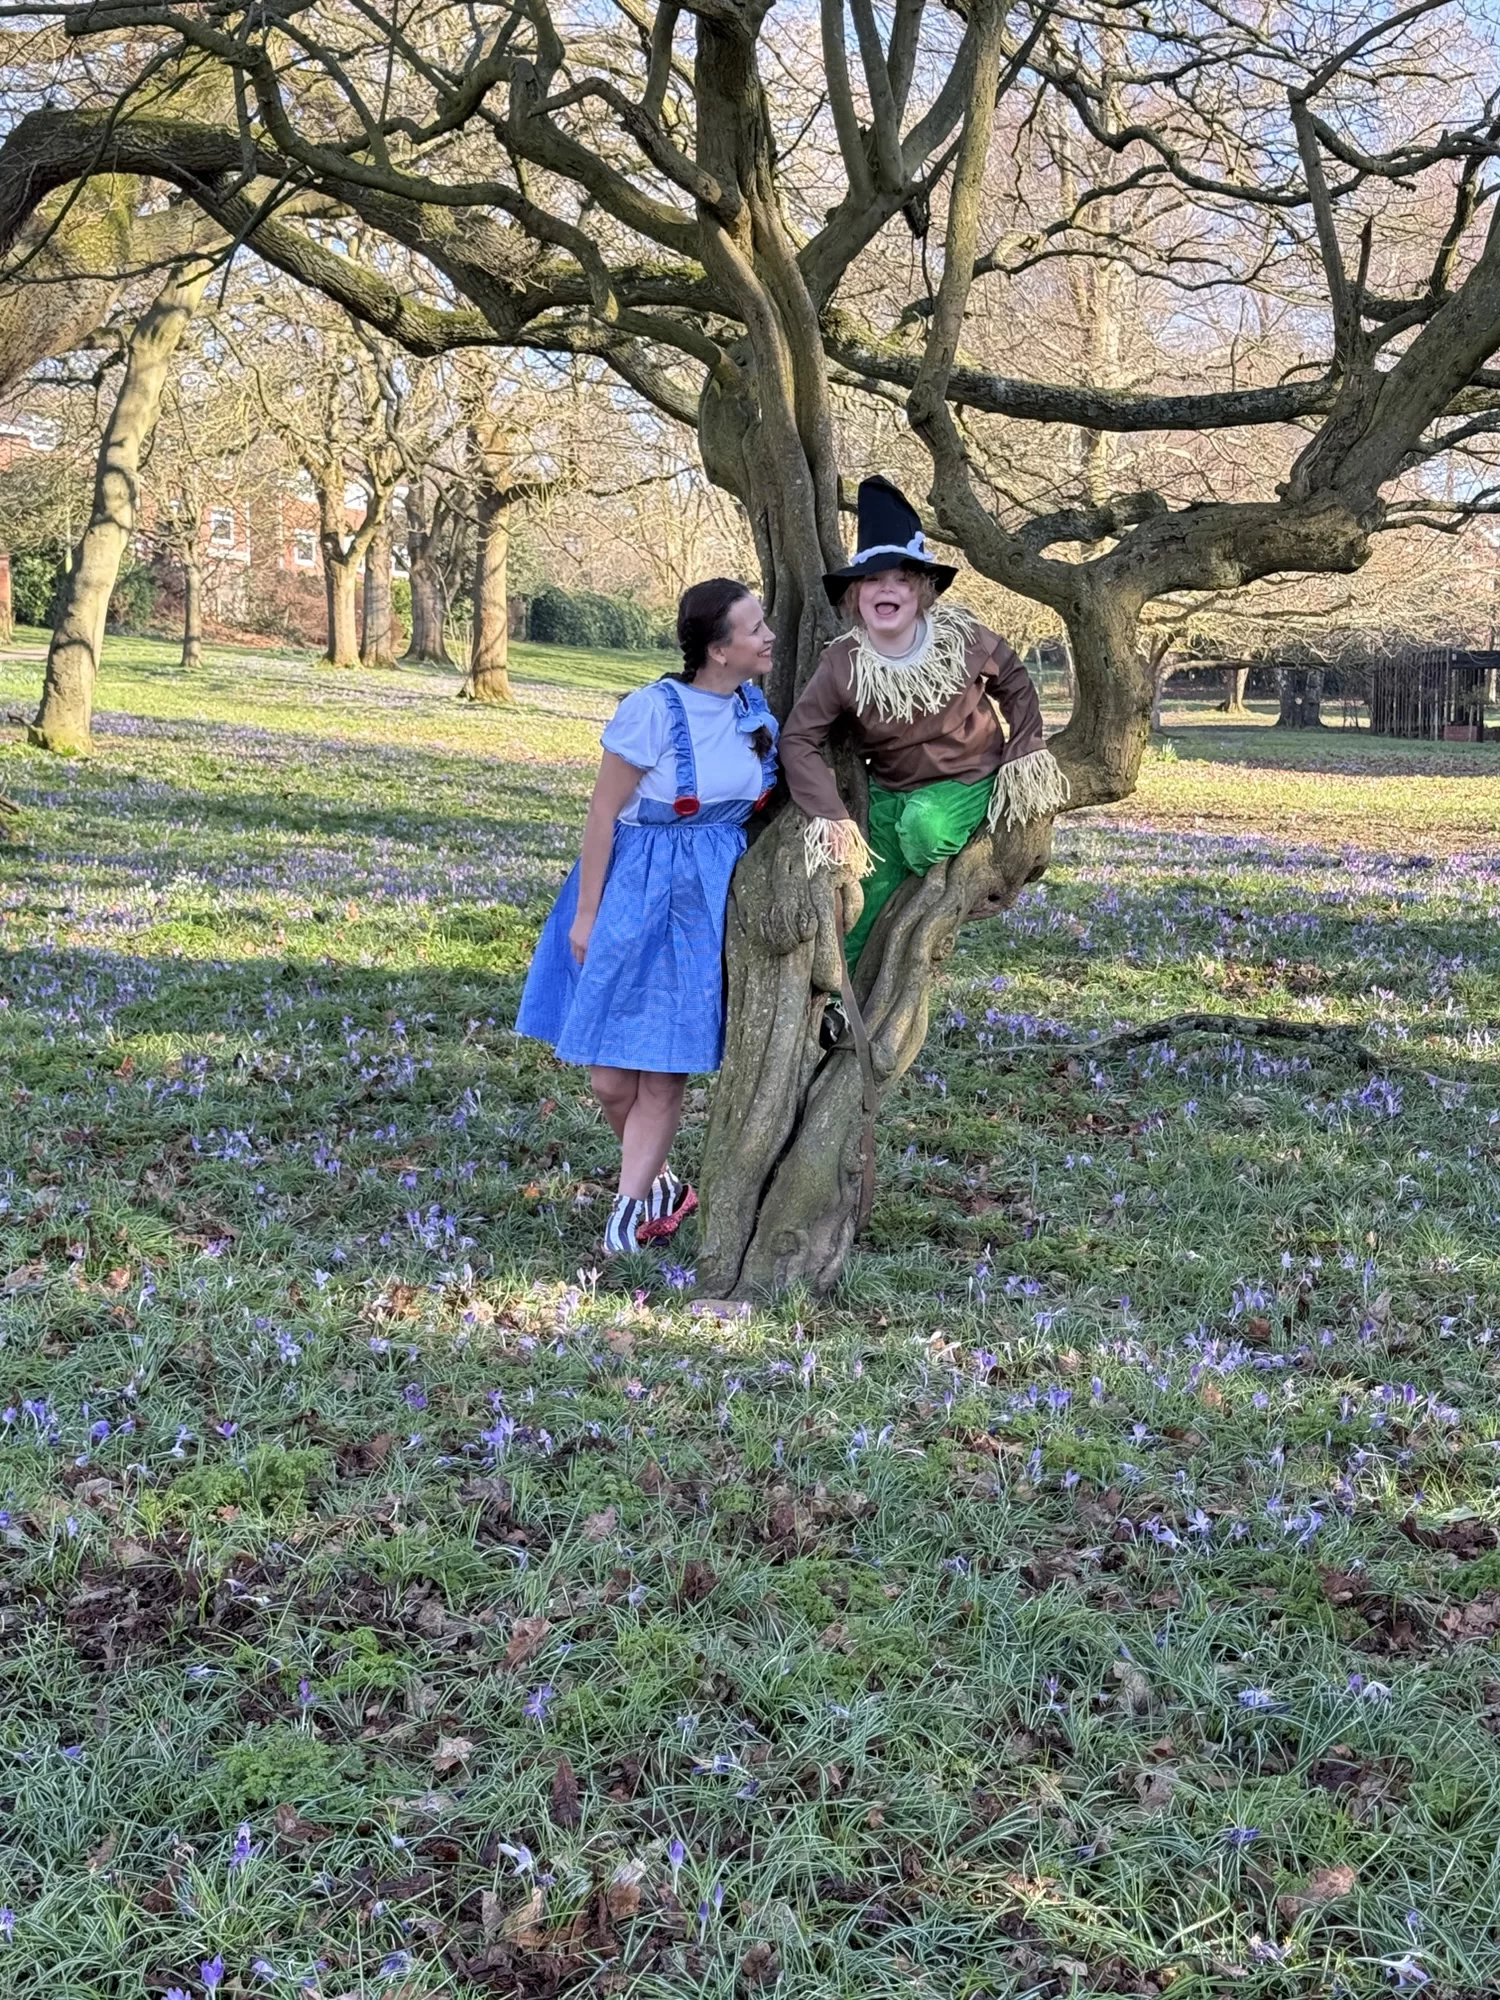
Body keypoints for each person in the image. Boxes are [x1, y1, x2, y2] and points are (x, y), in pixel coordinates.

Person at [516, 578, 778, 1255]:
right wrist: (586, 913)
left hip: (708, 900)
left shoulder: (755, 713)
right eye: (754, 628)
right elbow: (603, 812)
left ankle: (625, 1220)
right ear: (719, 650)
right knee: (609, 1079)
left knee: (663, 1073)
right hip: (633, 891)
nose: (769, 636)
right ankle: (662, 1183)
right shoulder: (652, 711)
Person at [780, 475, 1069, 969]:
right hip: (891, 789)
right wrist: (830, 811)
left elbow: (1015, 681)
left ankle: (926, 889)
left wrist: (1026, 751)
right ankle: (841, 1005)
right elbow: (799, 738)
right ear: (855, 595)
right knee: (857, 898)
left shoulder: (960, 637)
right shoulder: (844, 662)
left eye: (901, 578)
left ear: (921, 591)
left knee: (925, 830)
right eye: (872, 579)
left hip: (967, 778)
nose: (886, 588)